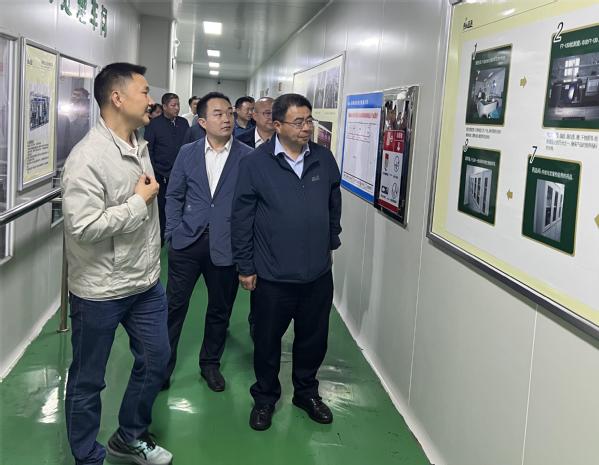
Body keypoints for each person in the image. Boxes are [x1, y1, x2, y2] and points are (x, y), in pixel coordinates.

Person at [61, 62, 172, 465]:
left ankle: (129, 436)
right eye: (144, 92)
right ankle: (87, 456)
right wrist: (137, 204)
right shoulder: (87, 158)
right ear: (117, 98)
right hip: (100, 290)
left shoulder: (139, 145)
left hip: (145, 283)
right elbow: (82, 226)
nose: (151, 100)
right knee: (89, 379)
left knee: (157, 360)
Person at [231, 93, 342, 431]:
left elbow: (333, 202)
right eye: (299, 122)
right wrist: (245, 266)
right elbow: (242, 217)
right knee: (266, 341)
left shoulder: (323, 158)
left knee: (313, 339)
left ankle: (306, 393)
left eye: (309, 120)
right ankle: (265, 398)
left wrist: (330, 240)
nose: (307, 127)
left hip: (316, 274)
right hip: (272, 276)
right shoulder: (255, 163)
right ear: (277, 125)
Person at [164, 92, 252, 392]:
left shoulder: (247, 156)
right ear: (202, 122)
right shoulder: (187, 152)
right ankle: (163, 367)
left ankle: (210, 364)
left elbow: (251, 203)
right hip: (187, 242)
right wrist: (173, 232)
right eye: (218, 113)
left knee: (219, 309)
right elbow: (174, 194)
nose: (226, 118)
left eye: (229, 112)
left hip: (226, 245)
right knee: (174, 307)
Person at [144, 92, 189, 245]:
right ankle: (162, 237)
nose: (177, 108)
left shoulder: (183, 123)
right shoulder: (154, 124)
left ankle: (181, 235)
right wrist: (153, 171)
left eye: (178, 105)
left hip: (182, 173)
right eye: (173, 105)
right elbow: (149, 149)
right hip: (161, 173)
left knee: (182, 205)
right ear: (164, 107)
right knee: (162, 206)